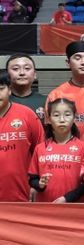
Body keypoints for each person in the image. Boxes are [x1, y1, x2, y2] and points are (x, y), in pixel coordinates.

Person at [28, 98, 84, 203]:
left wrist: (67, 198)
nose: (62, 119)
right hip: (46, 207)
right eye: (56, 115)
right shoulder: (40, 148)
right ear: (48, 119)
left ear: (74, 118)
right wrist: (40, 184)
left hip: (74, 207)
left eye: (67, 115)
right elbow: (32, 179)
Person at [0, 70, 44, 201]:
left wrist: (36, 184)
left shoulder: (27, 115)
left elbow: (41, 152)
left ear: (9, 90)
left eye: (1, 89)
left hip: (22, 195)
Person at [6, 53, 46, 124]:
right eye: (15, 69)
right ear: (7, 74)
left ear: (35, 74)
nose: (22, 73)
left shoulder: (46, 101)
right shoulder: (3, 102)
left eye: (27, 68)